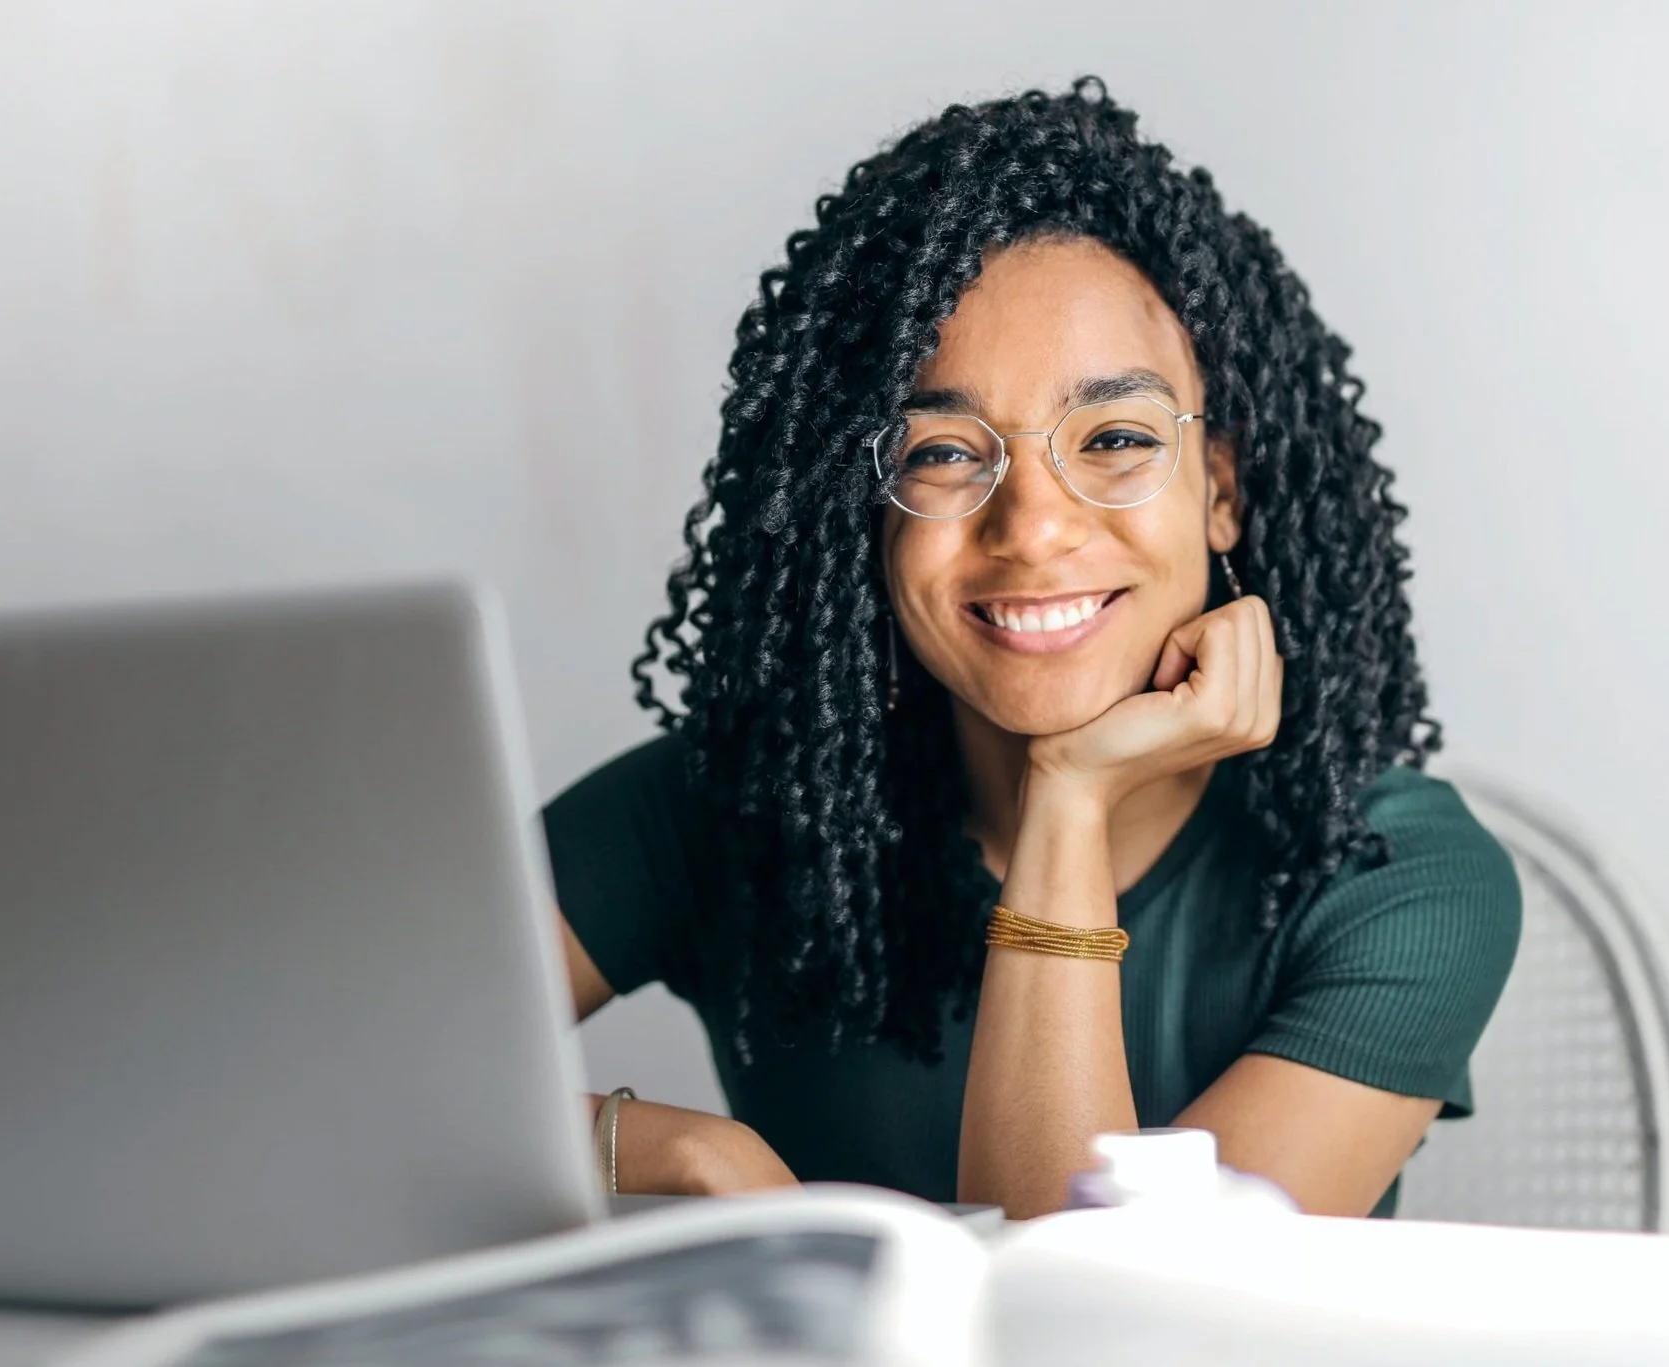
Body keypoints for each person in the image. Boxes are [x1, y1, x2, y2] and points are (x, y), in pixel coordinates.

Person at [544, 78, 1521, 1220]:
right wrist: (677, 1150)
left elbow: (1100, 1321)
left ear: (1221, 488)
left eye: (1113, 437)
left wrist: (1070, 796)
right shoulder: (730, 804)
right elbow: (313, 1070)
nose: (1035, 526)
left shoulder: (1392, 874)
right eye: (944, 454)